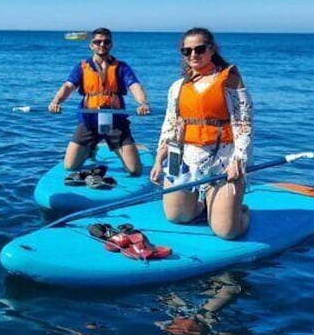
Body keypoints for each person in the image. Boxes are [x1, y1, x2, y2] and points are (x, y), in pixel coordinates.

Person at [149, 27, 253, 240]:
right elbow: (169, 124)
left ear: (211, 49)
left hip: (222, 160)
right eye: (187, 51)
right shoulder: (177, 87)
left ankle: (240, 212)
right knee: (177, 217)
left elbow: (243, 122)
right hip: (185, 158)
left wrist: (239, 160)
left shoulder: (229, 78)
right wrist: (159, 159)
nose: (193, 55)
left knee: (226, 232)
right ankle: (203, 205)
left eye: (199, 49)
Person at [48, 27, 152, 176]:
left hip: (116, 123)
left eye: (106, 42)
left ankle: (106, 146)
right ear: (91, 45)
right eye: (98, 42)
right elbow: (68, 86)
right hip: (89, 122)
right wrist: (56, 102)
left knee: (135, 170)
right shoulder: (82, 67)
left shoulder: (121, 67)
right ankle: (91, 147)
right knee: (70, 166)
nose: (102, 45)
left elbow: (134, 86)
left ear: (111, 44)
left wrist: (143, 103)